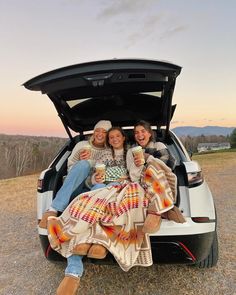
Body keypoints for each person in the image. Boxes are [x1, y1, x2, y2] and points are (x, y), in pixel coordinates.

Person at [39, 120, 112, 229]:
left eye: (104, 132)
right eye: (97, 130)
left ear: (108, 135)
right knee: (83, 164)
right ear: (94, 132)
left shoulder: (110, 151)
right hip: (74, 188)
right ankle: (53, 209)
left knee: (101, 186)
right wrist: (80, 160)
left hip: (91, 190)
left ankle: (87, 223)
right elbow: (70, 168)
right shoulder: (82, 145)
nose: (100, 134)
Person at [126, 120, 185, 233]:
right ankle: (163, 209)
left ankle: (156, 211)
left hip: (162, 181)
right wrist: (137, 166)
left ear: (149, 133)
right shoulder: (130, 152)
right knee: (150, 169)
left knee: (153, 168)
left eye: (143, 131)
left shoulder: (159, 146)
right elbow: (133, 177)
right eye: (136, 132)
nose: (139, 135)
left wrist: (148, 158)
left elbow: (167, 167)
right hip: (142, 184)